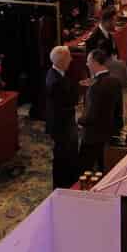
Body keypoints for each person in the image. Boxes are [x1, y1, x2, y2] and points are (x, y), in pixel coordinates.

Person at [79, 48, 121, 174]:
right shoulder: (115, 81)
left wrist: (78, 120)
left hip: (93, 136)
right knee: (105, 169)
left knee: (84, 170)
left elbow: (91, 116)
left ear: (94, 62)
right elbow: (119, 110)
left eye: (88, 61)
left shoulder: (95, 87)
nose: (87, 64)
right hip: (110, 133)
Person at [44, 45, 80, 188]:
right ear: (62, 61)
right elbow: (63, 105)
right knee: (62, 157)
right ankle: (62, 186)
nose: (71, 60)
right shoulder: (56, 81)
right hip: (61, 125)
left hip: (63, 123)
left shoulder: (56, 73)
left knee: (67, 155)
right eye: (69, 57)